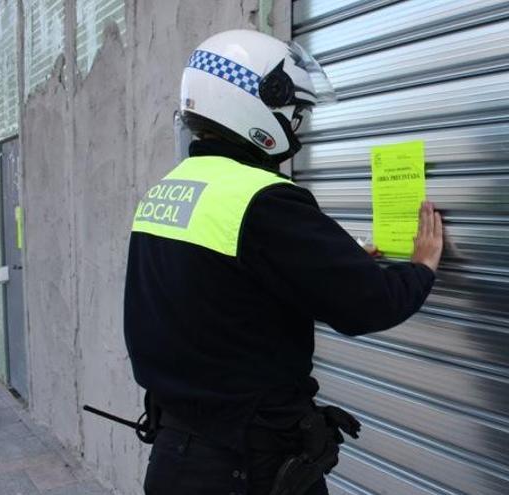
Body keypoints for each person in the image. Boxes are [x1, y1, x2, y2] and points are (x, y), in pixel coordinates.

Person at [123, 29, 443, 495]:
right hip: (246, 467)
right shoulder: (265, 202)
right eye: (295, 113)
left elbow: (228, 289)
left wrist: (332, 259)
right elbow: (369, 305)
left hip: (175, 456)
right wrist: (421, 267)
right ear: (256, 103)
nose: (297, 127)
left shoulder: (170, 189)